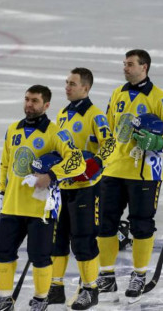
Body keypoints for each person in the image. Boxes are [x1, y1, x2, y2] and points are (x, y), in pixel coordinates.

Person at [0, 85, 85, 311]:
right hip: (12, 205)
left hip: (41, 208)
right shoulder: (13, 130)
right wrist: (2, 191)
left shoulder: (56, 132)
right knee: (2, 252)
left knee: (40, 257)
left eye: (35, 101)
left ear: (46, 105)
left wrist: (51, 175)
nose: (29, 104)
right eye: (27, 99)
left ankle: (40, 300)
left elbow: (77, 162)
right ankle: (4, 300)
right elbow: (5, 164)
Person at [96, 49, 163, 302]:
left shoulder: (161, 99)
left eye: (130, 64)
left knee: (141, 225)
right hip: (113, 170)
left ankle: (139, 274)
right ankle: (106, 275)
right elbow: (109, 131)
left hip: (145, 174)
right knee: (105, 224)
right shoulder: (117, 94)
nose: (125, 68)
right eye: (124, 64)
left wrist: (158, 141)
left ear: (144, 67)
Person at [46, 68, 115, 309]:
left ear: (85, 88)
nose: (67, 87)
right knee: (58, 238)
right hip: (63, 185)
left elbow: (110, 145)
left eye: (72, 84)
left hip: (86, 188)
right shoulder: (63, 113)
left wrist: (95, 163)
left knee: (83, 239)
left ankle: (90, 289)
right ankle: (55, 288)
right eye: (66, 82)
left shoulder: (96, 115)